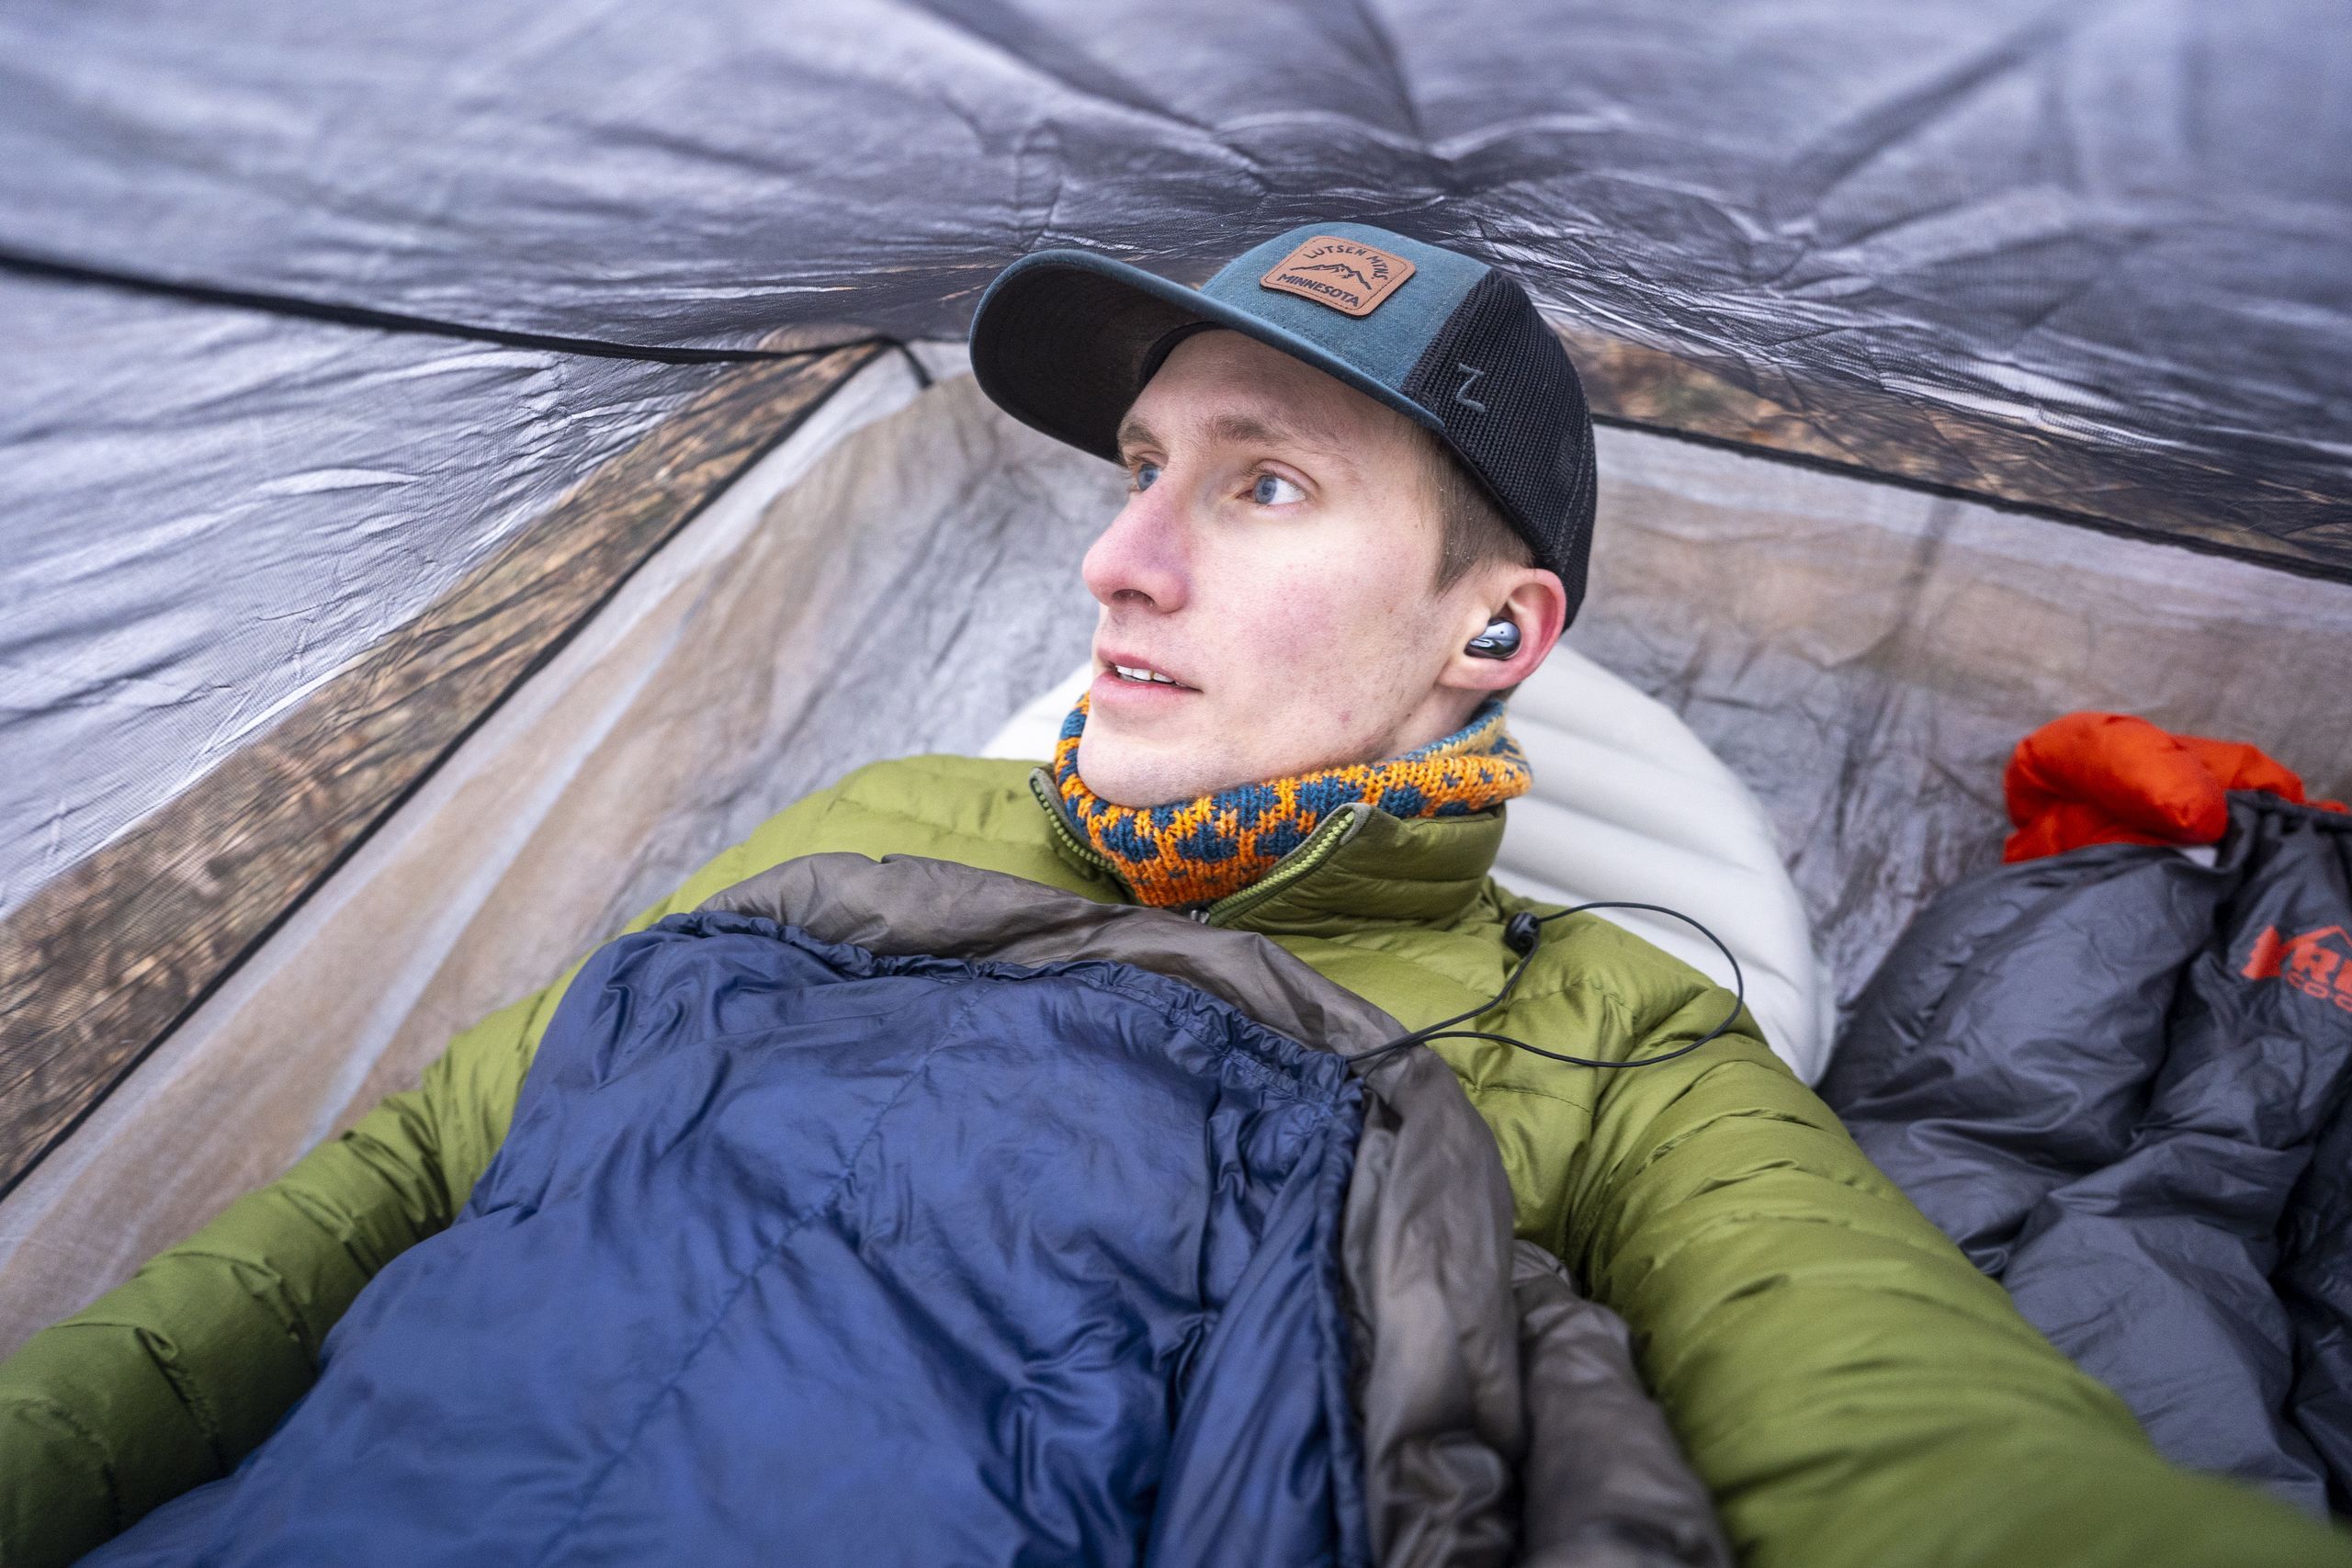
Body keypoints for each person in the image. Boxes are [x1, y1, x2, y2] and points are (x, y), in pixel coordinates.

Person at [3, 223, 2345, 1567]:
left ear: (1490, 639)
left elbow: (1906, 1435)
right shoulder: (911, 799)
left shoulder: (1608, 1023)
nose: (1112, 558)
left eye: (1260, 488)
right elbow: (406, 1184)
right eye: (1135, 473)